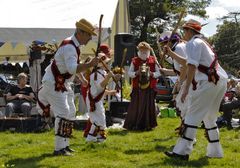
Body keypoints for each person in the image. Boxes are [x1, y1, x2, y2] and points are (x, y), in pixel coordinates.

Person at [164, 19, 228, 161]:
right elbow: (187, 62)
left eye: (184, 31)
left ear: (189, 31)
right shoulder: (203, 43)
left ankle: (181, 152)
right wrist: (170, 53)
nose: (182, 34)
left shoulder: (193, 43)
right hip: (219, 81)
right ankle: (215, 152)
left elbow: (191, 66)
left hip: (207, 82)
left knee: (192, 115)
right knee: (210, 117)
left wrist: (185, 87)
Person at [36, 18, 99, 156]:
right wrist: (90, 64)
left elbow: (69, 69)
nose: (90, 39)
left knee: (70, 112)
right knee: (64, 112)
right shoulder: (70, 47)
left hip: (62, 82)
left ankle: (65, 145)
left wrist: (81, 77)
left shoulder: (72, 45)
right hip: (54, 82)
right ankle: (59, 149)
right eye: (89, 35)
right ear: (81, 33)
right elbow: (71, 69)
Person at [85, 44, 121, 142]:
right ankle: (90, 138)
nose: (107, 64)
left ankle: (99, 137)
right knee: (98, 119)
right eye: (105, 62)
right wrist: (108, 77)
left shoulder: (102, 72)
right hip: (93, 99)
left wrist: (114, 79)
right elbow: (100, 86)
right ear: (100, 64)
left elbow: (102, 89)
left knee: (101, 117)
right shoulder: (95, 74)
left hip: (98, 98)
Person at [123, 41, 160, 131]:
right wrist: (136, 73)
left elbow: (159, 73)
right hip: (137, 88)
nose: (144, 52)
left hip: (149, 87)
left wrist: (152, 74)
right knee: (136, 107)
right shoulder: (135, 60)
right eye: (142, 50)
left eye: (145, 50)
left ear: (148, 51)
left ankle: (148, 125)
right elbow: (130, 73)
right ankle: (134, 124)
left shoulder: (153, 60)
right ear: (139, 50)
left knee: (148, 107)